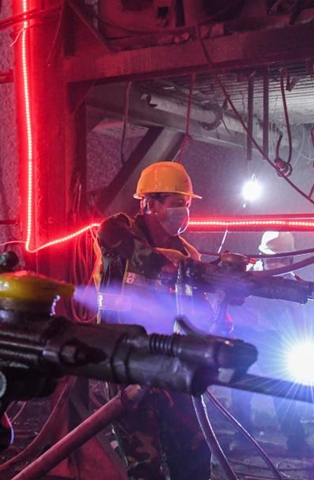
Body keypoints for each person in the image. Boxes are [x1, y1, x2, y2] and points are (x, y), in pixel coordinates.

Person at [94, 161, 212, 480]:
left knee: (195, 451)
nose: (183, 213)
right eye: (176, 204)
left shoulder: (187, 254)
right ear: (149, 203)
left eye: (186, 205)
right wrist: (163, 267)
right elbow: (121, 243)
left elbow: (197, 312)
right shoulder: (119, 231)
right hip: (126, 360)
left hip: (171, 362)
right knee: (144, 459)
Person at [227, 231, 314, 453]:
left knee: (283, 388)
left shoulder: (292, 284)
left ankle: (296, 441)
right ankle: (242, 438)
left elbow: (300, 319)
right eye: (272, 258)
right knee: (240, 389)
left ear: (290, 260)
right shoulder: (243, 275)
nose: (277, 263)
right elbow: (221, 301)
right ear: (262, 257)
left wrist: (305, 348)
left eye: (282, 259)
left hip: (270, 338)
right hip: (242, 334)